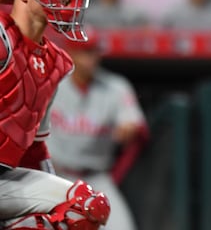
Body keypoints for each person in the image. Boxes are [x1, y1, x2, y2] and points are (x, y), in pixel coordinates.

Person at [0, 0, 110, 228]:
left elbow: (35, 148)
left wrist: (53, 206)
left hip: (4, 179)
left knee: (86, 207)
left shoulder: (55, 63)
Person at [49, 31, 148, 230]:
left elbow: (133, 122)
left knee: (122, 227)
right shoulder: (53, 83)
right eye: (85, 52)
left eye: (94, 52)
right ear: (70, 53)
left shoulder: (116, 87)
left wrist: (129, 128)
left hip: (96, 178)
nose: (91, 58)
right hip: (57, 176)